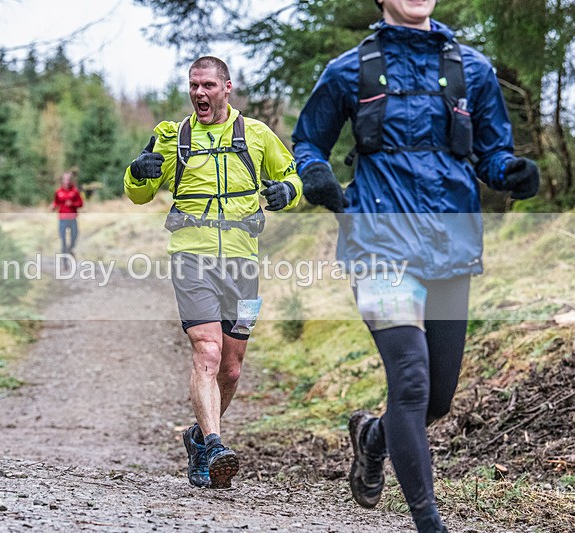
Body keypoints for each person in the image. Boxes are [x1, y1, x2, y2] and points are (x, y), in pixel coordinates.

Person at [292, 1, 539, 531]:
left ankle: (373, 436)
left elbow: (492, 153)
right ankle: (428, 520)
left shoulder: (471, 69)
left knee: (438, 397)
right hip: (378, 245)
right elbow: (308, 140)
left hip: (450, 246)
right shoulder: (350, 69)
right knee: (409, 380)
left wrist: (511, 173)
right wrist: (315, 173)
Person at [124, 56, 303, 489]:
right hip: (192, 257)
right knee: (207, 350)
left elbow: (292, 177)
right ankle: (217, 445)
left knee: (232, 368)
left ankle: (199, 437)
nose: (199, 93)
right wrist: (138, 172)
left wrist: (287, 191)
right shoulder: (173, 137)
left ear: (226, 87)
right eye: (193, 85)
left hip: (242, 263)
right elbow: (138, 194)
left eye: (207, 85)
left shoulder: (256, 134)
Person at [51, 169, 84, 256]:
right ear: (62, 180)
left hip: (72, 218)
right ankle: (64, 259)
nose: (67, 181)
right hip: (62, 218)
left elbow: (81, 203)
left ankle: (70, 249)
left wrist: (72, 204)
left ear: (71, 180)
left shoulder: (75, 191)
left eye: (68, 179)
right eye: (65, 179)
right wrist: (53, 206)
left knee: (74, 236)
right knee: (63, 238)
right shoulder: (58, 192)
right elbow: (56, 202)